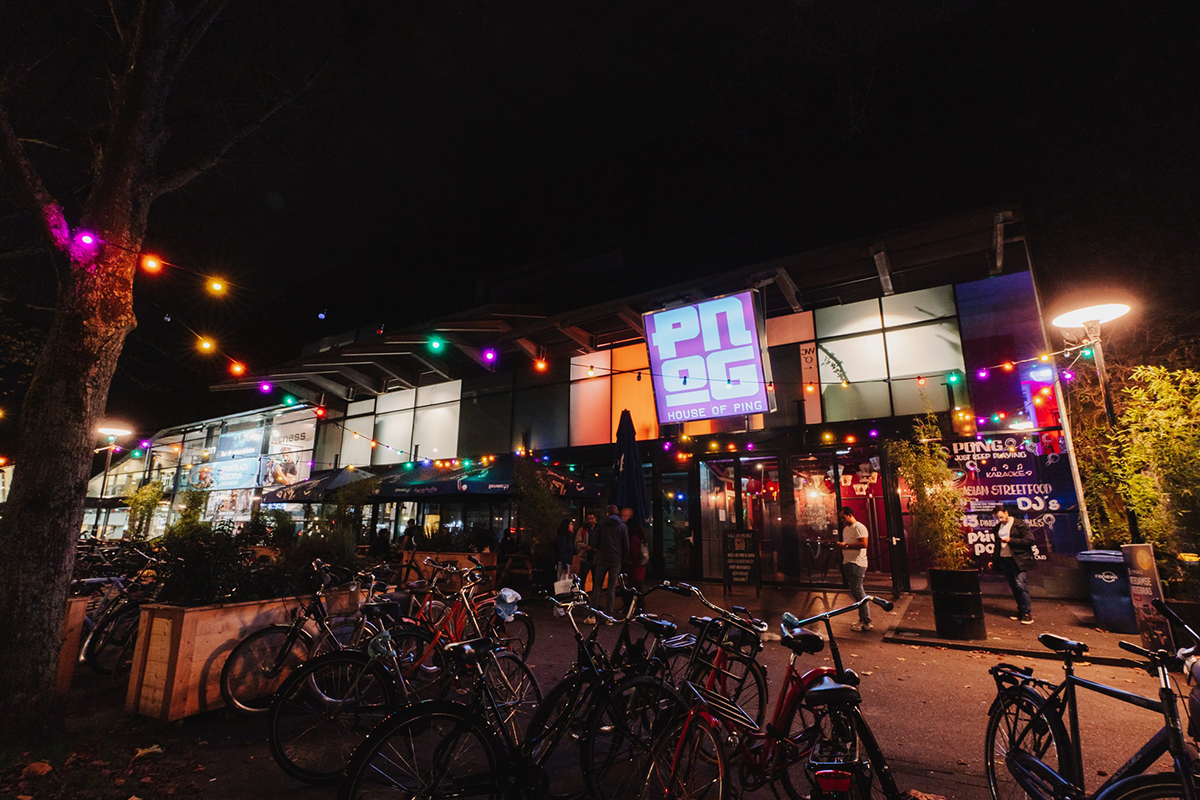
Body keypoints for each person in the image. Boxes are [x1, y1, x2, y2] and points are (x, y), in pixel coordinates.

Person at [991, 504, 1036, 624]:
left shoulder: (1020, 525)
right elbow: (997, 545)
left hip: (1018, 559)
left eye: (1001, 517)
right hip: (1005, 558)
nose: (999, 520)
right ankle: (1021, 610)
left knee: (1020, 584)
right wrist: (994, 559)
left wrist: (1011, 540)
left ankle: (1027, 612)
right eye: (997, 518)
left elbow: (1030, 540)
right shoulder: (997, 528)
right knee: (1013, 585)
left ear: (1006, 513)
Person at [838, 507, 872, 632]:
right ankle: (863, 618)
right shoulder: (846, 529)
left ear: (850, 515)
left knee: (858, 591)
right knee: (855, 591)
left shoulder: (859, 527)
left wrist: (846, 545)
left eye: (843, 517)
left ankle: (866, 621)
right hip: (848, 561)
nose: (842, 520)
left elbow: (864, 544)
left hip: (857, 562)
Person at [593, 505, 629, 616]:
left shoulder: (602, 525)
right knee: (611, 587)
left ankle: (593, 612)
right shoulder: (622, 526)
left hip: (603, 558)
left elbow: (595, 542)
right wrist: (622, 559)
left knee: (597, 586)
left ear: (607, 513)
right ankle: (609, 614)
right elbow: (626, 545)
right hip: (616, 559)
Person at [621, 507, 648, 596]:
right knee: (638, 587)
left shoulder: (633, 539)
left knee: (634, 588)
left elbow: (633, 553)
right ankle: (639, 606)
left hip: (634, 567)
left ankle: (636, 606)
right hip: (641, 566)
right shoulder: (641, 536)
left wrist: (630, 561)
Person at [575, 511, 597, 590]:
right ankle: (582, 597)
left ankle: (595, 599)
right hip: (585, 558)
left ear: (595, 519)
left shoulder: (598, 529)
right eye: (588, 519)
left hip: (595, 558)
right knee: (582, 580)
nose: (590, 520)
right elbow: (577, 543)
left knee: (596, 581)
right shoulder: (583, 529)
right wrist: (586, 546)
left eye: (592, 518)